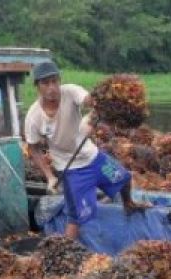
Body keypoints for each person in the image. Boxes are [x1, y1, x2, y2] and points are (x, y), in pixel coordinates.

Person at [24, 61, 146, 239]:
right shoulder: (34, 117)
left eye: (54, 81)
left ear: (60, 80)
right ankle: (66, 250)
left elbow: (89, 100)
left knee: (124, 178)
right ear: (37, 86)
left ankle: (128, 204)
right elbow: (33, 149)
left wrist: (98, 108)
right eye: (45, 83)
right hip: (71, 170)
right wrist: (50, 177)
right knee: (77, 217)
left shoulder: (70, 92)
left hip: (94, 158)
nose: (52, 88)